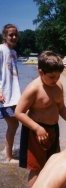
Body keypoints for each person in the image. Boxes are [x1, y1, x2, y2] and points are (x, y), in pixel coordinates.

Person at [15, 51, 66, 188]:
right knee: (36, 167)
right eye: (52, 77)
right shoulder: (33, 89)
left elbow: (61, 109)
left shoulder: (58, 86)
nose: (55, 80)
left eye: (58, 76)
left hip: (53, 129)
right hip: (35, 132)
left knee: (53, 161)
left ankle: (59, 186)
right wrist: (37, 128)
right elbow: (18, 113)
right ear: (40, 72)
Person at [0, 24, 21, 163]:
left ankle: (5, 150)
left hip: (15, 95)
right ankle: (8, 156)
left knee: (14, 124)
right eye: (10, 35)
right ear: (4, 36)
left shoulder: (13, 52)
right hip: (4, 95)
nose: (13, 37)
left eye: (15, 35)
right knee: (13, 124)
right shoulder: (1, 50)